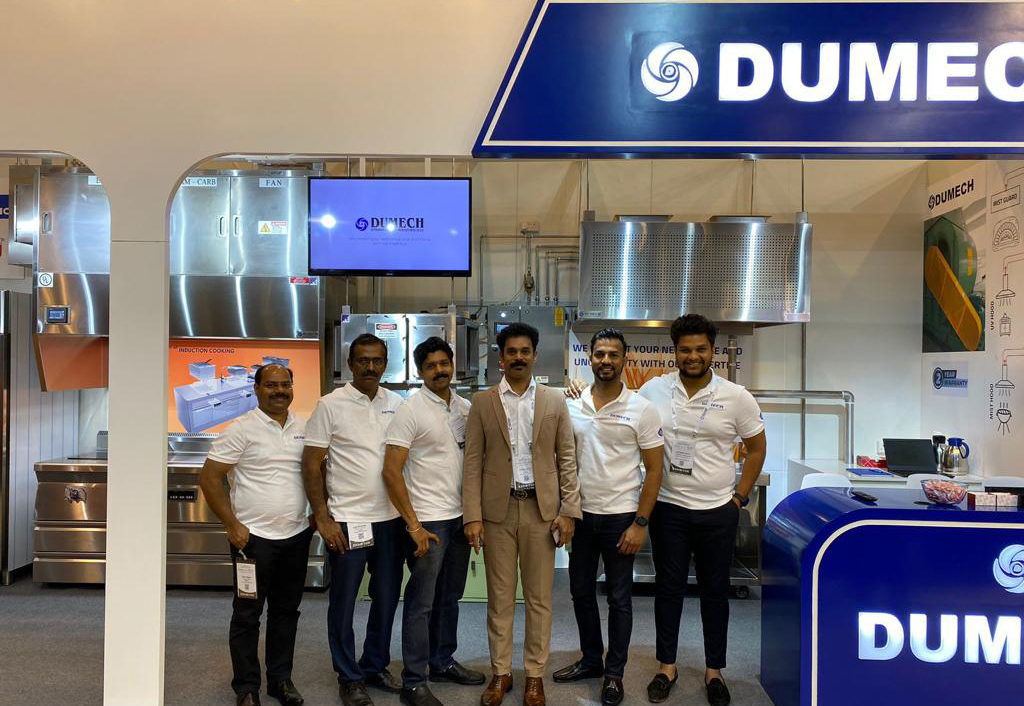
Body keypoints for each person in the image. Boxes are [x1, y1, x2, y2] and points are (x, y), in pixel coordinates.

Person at [637, 314, 767, 706]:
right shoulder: (653, 390)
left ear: (713, 351)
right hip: (668, 509)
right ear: (674, 352)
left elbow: (756, 448)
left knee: (715, 592)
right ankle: (667, 666)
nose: (693, 356)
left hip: (717, 511)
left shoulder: (736, 396)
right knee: (668, 590)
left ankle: (715, 671)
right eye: (685, 349)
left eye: (700, 349)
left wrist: (739, 498)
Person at [463, 321, 581, 706]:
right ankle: (501, 673)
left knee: (539, 598)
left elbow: (566, 458)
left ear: (534, 355)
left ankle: (534, 675)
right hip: (496, 513)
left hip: (541, 512)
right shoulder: (483, 402)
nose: (518, 357)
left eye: (524, 351)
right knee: (499, 599)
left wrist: (569, 510)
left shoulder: (553, 400)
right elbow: (473, 462)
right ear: (501, 357)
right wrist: (472, 516)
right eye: (511, 351)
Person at [553, 328, 665, 706]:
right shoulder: (572, 403)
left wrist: (640, 523)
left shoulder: (642, 409)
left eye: (613, 354)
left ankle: (614, 673)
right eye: (599, 354)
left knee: (619, 599)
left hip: (621, 518)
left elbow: (655, 470)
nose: (606, 360)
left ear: (623, 359)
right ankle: (591, 660)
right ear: (590, 357)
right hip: (581, 516)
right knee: (581, 592)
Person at [199, 363, 313, 706]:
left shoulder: (304, 427)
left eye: (285, 385)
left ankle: (280, 680)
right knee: (247, 614)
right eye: (271, 385)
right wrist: (232, 525)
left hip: (296, 536)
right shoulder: (241, 429)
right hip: (252, 541)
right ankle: (247, 686)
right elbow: (209, 478)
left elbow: (315, 472)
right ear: (257, 389)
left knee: (286, 612)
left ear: (292, 387)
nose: (279, 391)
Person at [301, 334, 405, 706]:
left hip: (390, 520)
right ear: (350, 363)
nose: (370, 367)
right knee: (343, 602)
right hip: (347, 520)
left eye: (377, 360)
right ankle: (348, 676)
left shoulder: (397, 403)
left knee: (387, 597)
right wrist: (323, 517)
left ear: (386, 363)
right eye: (363, 360)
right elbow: (311, 464)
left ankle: (374, 665)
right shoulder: (330, 405)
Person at [382, 337, 486, 706]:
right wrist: (413, 525)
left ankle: (442, 661)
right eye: (430, 366)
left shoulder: (464, 407)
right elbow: (391, 471)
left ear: (452, 364)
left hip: (459, 519)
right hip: (428, 522)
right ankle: (413, 681)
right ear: (420, 371)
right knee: (421, 603)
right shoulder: (410, 410)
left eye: (444, 363)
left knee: (450, 597)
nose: (439, 370)